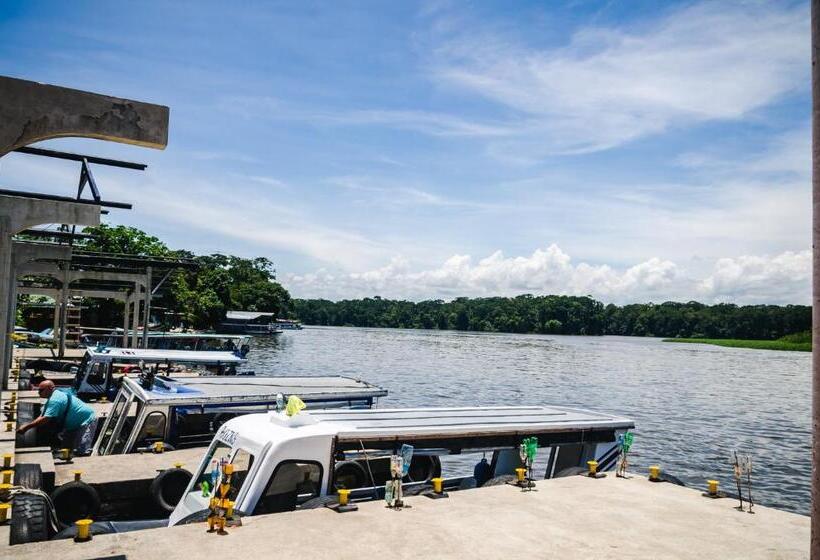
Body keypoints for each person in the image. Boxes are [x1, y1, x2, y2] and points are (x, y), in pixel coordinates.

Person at [17, 380, 97, 456]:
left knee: (82, 449)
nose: (39, 392)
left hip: (86, 420)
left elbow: (45, 418)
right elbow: (42, 415)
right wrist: (26, 426)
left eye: (41, 390)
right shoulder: (53, 397)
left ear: (50, 389)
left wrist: (26, 427)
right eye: (39, 390)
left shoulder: (55, 400)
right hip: (72, 425)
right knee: (66, 448)